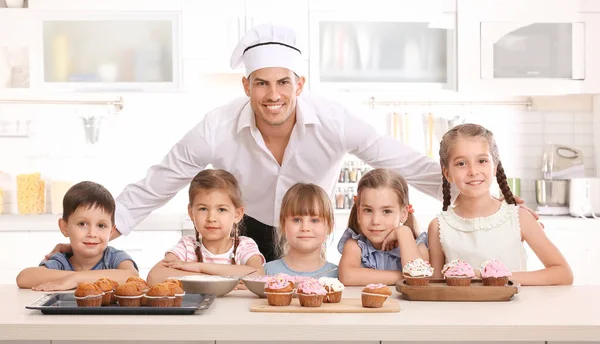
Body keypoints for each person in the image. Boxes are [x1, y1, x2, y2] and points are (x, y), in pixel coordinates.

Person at [44, 24, 534, 262]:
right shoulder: (215, 127)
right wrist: (101, 233)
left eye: (283, 83)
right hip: (247, 229)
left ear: (300, 85)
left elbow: (399, 160)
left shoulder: (336, 120)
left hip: (311, 226)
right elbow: (160, 181)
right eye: (261, 83)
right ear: (246, 87)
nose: (273, 95)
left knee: (314, 303)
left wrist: (486, 200)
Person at [427, 124, 573, 285]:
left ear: (495, 167)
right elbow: (436, 285)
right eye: (461, 163)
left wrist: (495, 277)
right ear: (447, 173)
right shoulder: (439, 227)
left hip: (512, 309)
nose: (473, 171)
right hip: (459, 310)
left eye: (482, 161)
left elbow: (563, 273)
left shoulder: (519, 218)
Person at [147, 169, 264, 285]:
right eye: (203, 209)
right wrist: (215, 280)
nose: (211, 218)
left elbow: (257, 275)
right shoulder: (187, 246)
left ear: (237, 214)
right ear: (191, 213)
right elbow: (155, 276)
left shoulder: (244, 246)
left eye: (221, 209)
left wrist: (199, 267)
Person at [16, 181, 139, 291]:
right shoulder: (61, 262)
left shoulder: (113, 258)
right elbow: (24, 277)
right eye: (82, 224)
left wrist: (76, 278)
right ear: (64, 227)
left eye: (101, 225)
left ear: (111, 231)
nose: (92, 233)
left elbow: (132, 276)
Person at [338, 169, 429, 286]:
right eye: (368, 210)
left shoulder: (418, 246)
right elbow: (347, 276)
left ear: (403, 213)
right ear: (358, 212)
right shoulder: (355, 246)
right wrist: (403, 276)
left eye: (386, 211)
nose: (375, 221)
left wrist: (403, 232)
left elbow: (419, 278)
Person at [264, 183, 338, 278]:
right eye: (297, 220)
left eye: (315, 220)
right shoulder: (266, 272)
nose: (305, 228)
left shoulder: (339, 275)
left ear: (330, 226)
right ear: (283, 224)